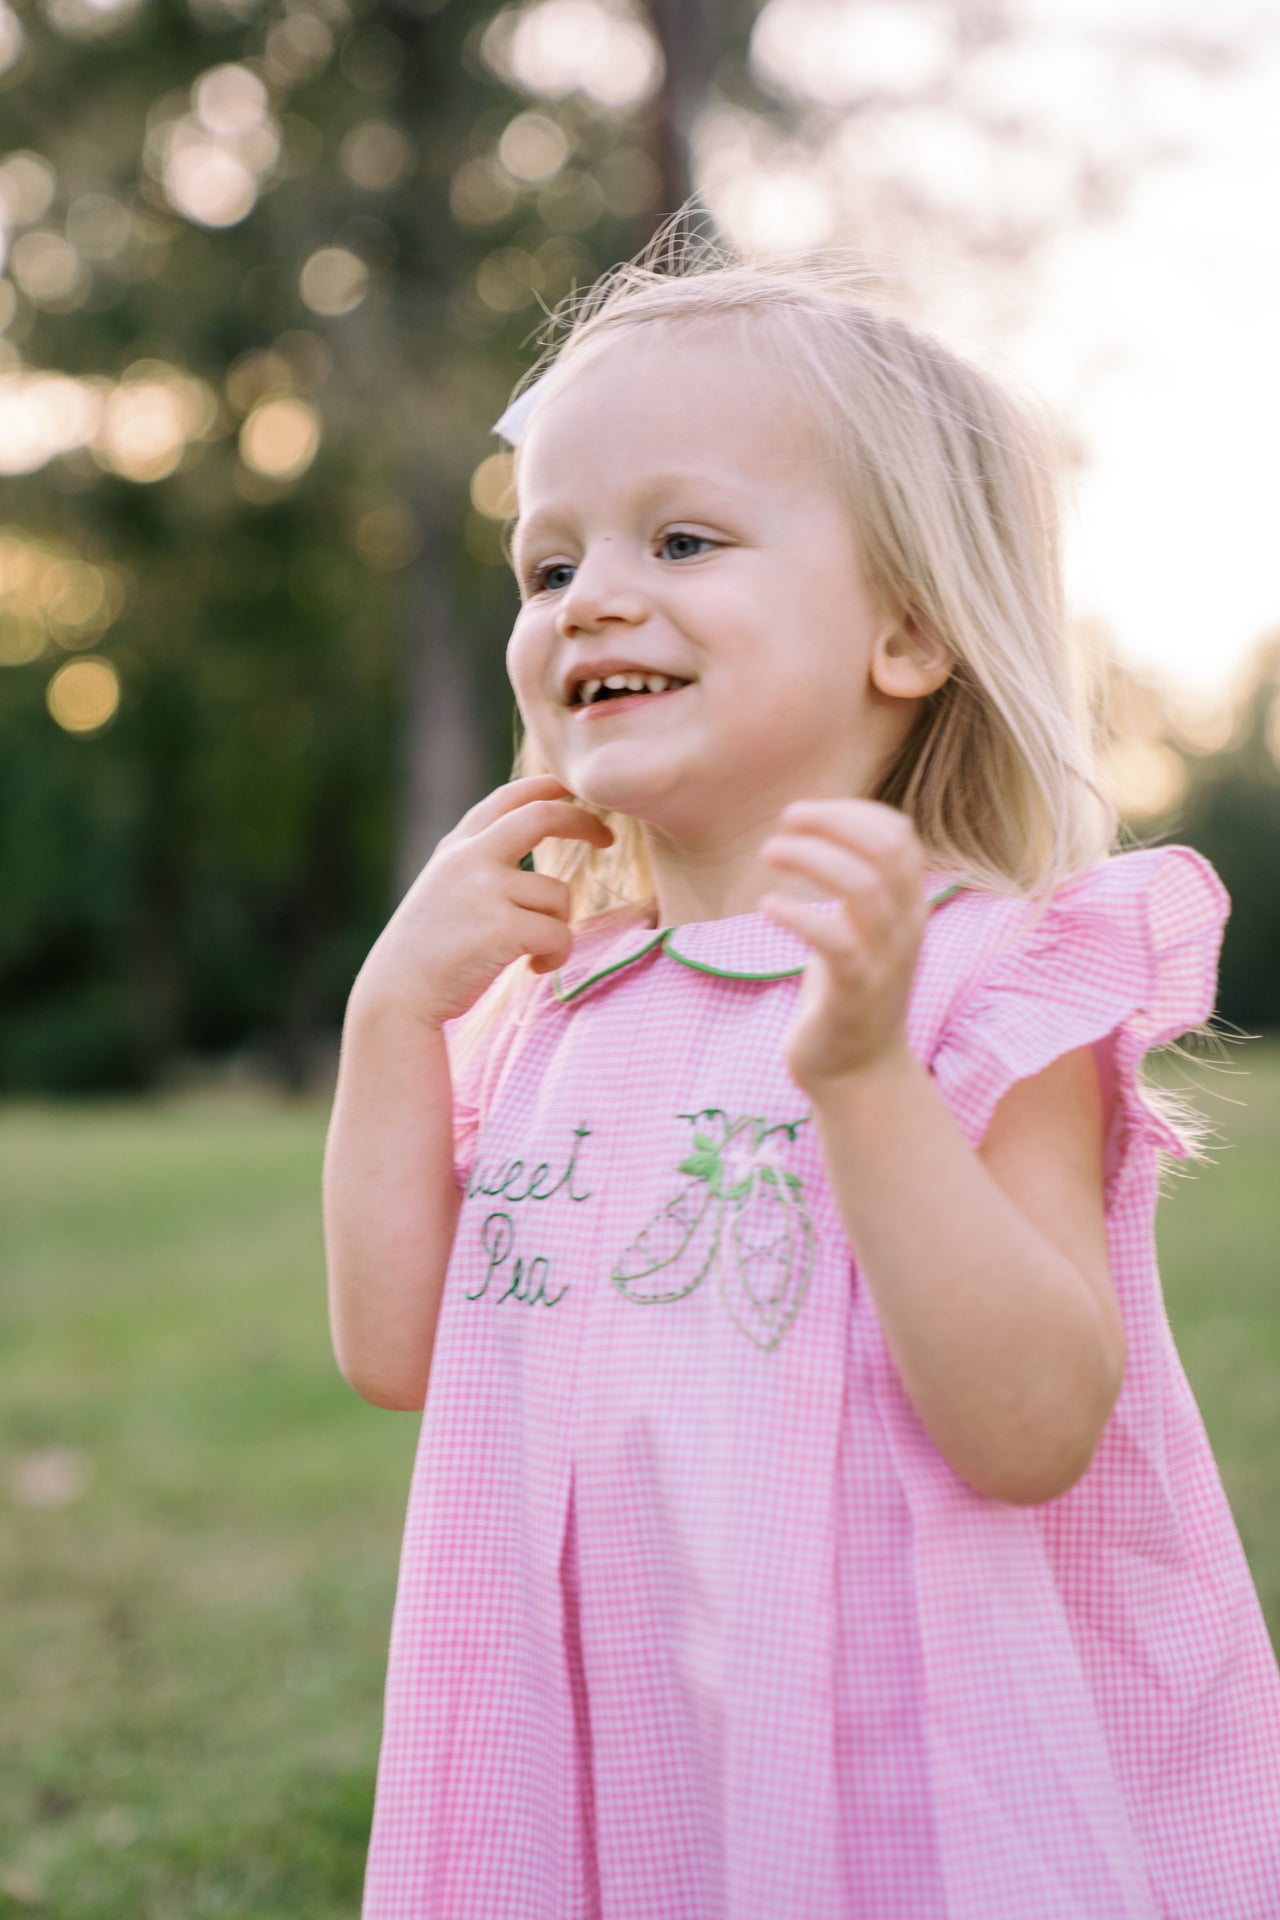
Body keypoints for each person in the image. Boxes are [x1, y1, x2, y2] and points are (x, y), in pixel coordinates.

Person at [323, 224, 1280, 1919]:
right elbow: (397, 1349)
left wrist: (863, 1080)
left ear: (905, 634)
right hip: (612, 1750)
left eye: (682, 538)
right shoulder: (563, 1004)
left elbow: (1039, 1426)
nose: (592, 596)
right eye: (547, 569)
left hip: (896, 1753)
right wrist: (390, 1020)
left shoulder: (979, 985)